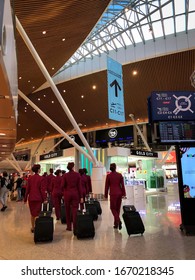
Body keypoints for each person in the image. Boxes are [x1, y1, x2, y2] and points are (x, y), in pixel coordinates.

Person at [61, 162, 83, 233]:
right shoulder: (77, 175)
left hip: (67, 194)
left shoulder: (65, 175)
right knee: (75, 210)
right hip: (75, 194)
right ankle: (75, 227)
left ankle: (69, 226)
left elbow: (62, 185)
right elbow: (80, 187)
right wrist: (81, 197)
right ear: (73, 167)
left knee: (67, 210)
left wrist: (63, 193)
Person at [24, 164, 47, 233]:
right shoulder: (41, 178)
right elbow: (42, 190)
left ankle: (33, 227)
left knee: (32, 214)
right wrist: (45, 199)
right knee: (38, 213)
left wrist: (25, 199)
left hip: (31, 198)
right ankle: (38, 227)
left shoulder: (30, 178)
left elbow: (27, 189)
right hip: (38, 198)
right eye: (40, 169)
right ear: (38, 170)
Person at [104, 163, 126, 230]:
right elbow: (122, 185)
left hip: (113, 194)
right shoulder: (119, 175)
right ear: (115, 167)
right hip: (119, 193)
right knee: (117, 209)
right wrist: (124, 194)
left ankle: (118, 220)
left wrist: (105, 195)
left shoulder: (108, 176)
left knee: (112, 208)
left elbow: (106, 186)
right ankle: (116, 224)